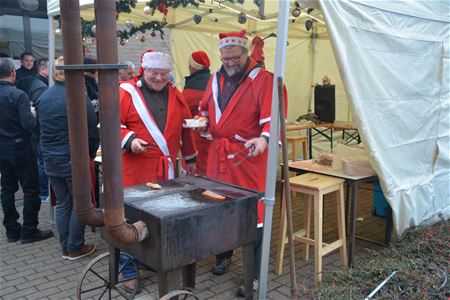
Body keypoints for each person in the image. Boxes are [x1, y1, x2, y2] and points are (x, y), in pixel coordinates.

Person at [200, 30, 287, 297]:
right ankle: (223, 254)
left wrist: (264, 140)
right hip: (219, 156)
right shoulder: (215, 78)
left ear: (246, 53)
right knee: (221, 209)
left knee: (255, 217)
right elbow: (204, 108)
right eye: (225, 58)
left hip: (248, 159)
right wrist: (202, 121)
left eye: (234, 57)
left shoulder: (264, 80)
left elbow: (273, 118)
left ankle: (255, 276)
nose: (229, 63)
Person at [38, 56, 98, 260]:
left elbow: (40, 129)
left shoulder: (44, 96)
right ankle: (74, 247)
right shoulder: (77, 97)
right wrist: (90, 154)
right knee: (78, 204)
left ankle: (66, 246)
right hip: (72, 159)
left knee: (64, 203)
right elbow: (92, 132)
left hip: (50, 159)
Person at [119, 49, 197, 187]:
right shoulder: (126, 92)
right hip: (136, 169)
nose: (159, 78)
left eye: (164, 73)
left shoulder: (176, 94)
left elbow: (186, 128)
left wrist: (190, 160)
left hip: (167, 169)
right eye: (154, 73)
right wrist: (130, 141)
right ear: (144, 70)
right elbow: (110, 126)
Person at [0, 57, 54, 244]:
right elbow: (28, 124)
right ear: (13, 73)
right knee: (31, 189)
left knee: (7, 189)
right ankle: (29, 229)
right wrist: (34, 115)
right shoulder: (18, 95)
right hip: (21, 147)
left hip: (2, 148)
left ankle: (12, 230)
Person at [182, 51, 212, 175]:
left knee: (197, 173)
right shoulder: (213, 83)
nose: (189, 66)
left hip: (195, 140)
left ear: (193, 67)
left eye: (190, 64)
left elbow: (183, 112)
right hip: (213, 139)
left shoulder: (191, 91)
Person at [28, 57, 50, 202]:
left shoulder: (38, 84)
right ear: (43, 69)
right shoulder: (40, 87)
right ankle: (44, 193)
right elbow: (42, 110)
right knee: (43, 163)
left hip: (39, 130)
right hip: (41, 131)